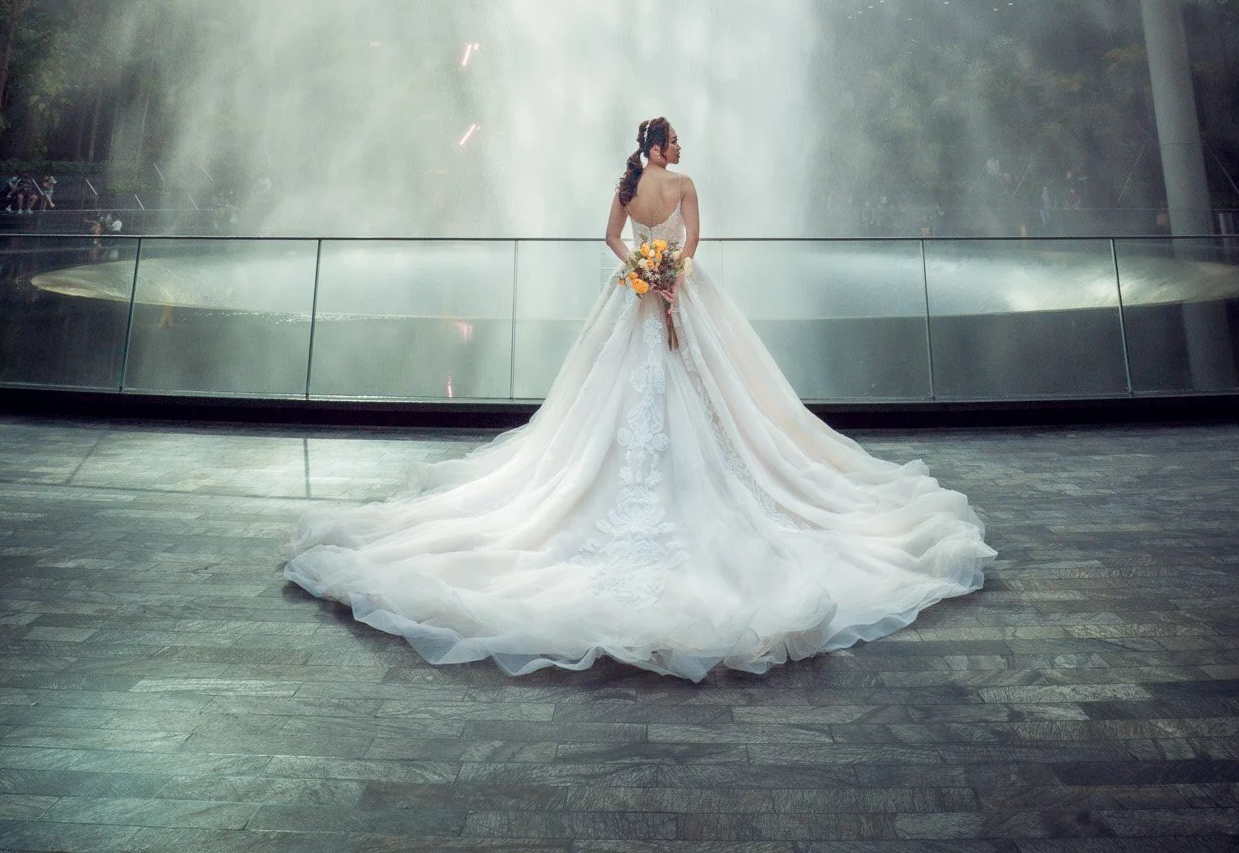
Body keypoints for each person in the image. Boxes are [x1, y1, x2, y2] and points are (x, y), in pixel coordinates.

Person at [284, 117, 993, 680]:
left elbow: (610, 238)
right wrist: (671, 273)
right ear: (657, 147)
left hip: (637, 295)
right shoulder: (682, 184)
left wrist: (641, 272)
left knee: (617, 390)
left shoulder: (631, 187)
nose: (680, 146)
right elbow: (694, 241)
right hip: (676, 291)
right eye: (673, 138)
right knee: (701, 391)